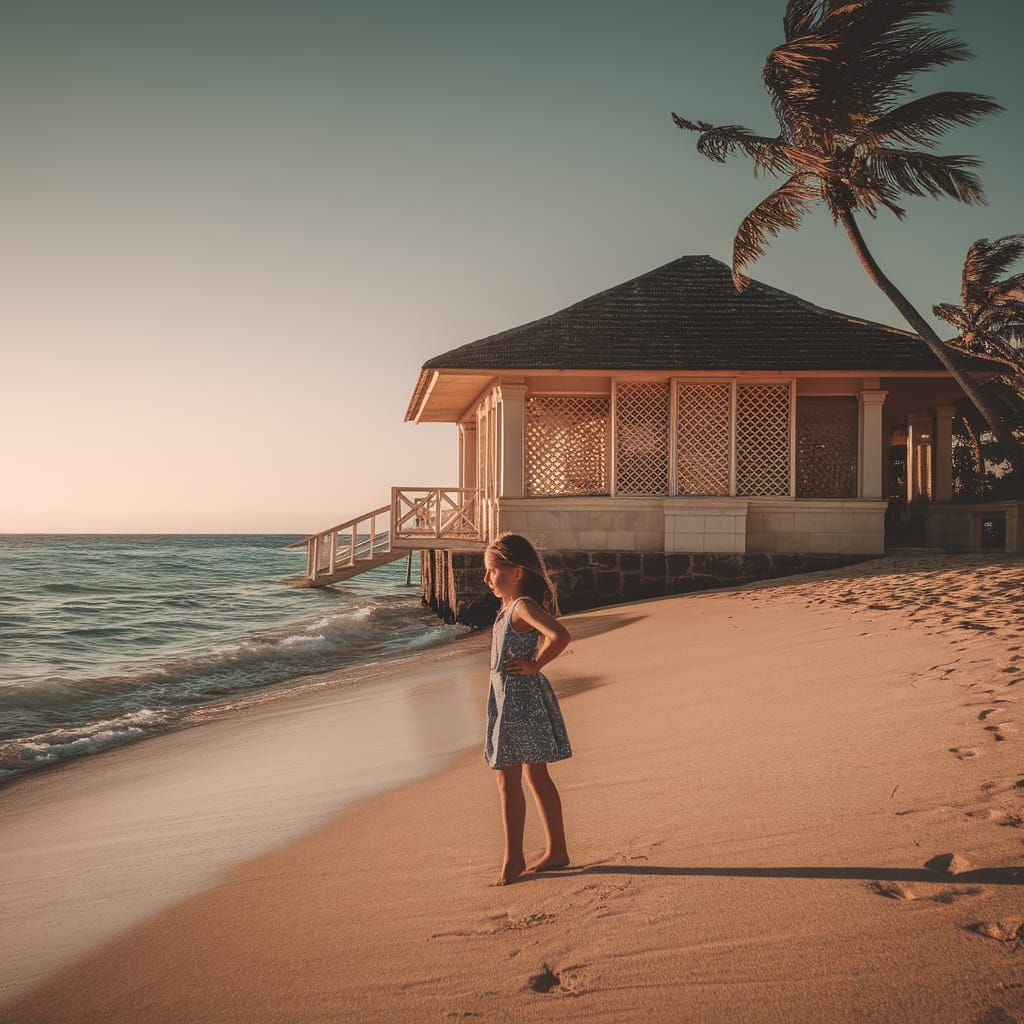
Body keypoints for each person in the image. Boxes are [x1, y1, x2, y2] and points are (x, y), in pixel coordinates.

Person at [483, 532, 573, 886]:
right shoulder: (508, 607)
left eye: (493, 570)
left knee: (508, 780)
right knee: (535, 775)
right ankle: (557, 850)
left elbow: (560, 636)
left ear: (517, 571)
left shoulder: (521, 606)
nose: (488, 578)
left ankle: (513, 860)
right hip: (512, 699)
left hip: (519, 702)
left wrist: (536, 664)